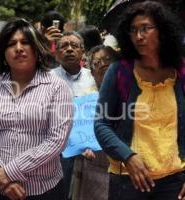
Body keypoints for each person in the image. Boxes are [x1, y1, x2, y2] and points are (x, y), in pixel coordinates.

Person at [0, 18, 74, 200]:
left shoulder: (57, 87)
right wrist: (2, 179)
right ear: (3, 53)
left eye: (25, 42)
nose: (19, 48)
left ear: (37, 49)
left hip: (44, 190)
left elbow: (56, 140)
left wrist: (10, 172)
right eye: (11, 44)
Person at [94, 1, 185, 200]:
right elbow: (101, 125)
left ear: (161, 30)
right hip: (129, 180)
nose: (138, 36)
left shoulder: (180, 71)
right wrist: (128, 156)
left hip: (173, 180)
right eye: (133, 30)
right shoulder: (120, 71)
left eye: (145, 28)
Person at [51, 31, 97, 200]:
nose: (69, 49)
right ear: (56, 54)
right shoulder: (47, 79)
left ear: (83, 52)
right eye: (64, 46)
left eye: (74, 46)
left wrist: (92, 142)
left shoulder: (93, 77)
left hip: (89, 150)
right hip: (56, 152)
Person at [70, 44, 119, 200]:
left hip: (127, 167)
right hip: (94, 166)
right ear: (92, 72)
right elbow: (77, 133)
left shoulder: (132, 92)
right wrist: (82, 146)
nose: (103, 64)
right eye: (97, 63)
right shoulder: (84, 99)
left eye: (107, 59)